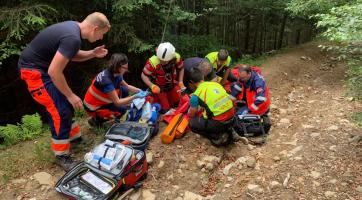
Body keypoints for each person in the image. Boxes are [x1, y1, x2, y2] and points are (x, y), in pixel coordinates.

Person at [18, 12, 110, 171]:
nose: (101, 38)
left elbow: (71, 55)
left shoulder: (73, 29)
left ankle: (75, 139)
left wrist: (93, 53)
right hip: (34, 73)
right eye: (102, 34)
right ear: (95, 28)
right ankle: (61, 156)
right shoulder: (72, 37)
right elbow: (55, 71)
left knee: (64, 105)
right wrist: (71, 95)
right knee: (59, 110)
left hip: (43, 70)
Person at [83, 53, 148, 126]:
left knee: (124, 90)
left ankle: (115, 110)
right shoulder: (106, 81)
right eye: (125, 68)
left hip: (100, 100)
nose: (126, 70)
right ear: (118, 67)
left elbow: (127, 86)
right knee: (122, 109)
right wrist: (135, 96)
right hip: (93, 107)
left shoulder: (115, 73)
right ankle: (97, 120)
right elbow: (117, 102)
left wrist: (140, 91)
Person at [187, 68, 244, 146]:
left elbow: (192, 114)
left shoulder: (196, 95)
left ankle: (217, 136)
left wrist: (189, 112)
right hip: (232, 117)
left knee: (192, 123)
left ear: (191, 82)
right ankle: (230, 130)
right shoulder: (216, 84)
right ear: (203, 77)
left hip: (219, 123)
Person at [141, 42, 185, 113]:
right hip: (159, 88)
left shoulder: (176, 57)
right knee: (164, 109)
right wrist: (152, 86)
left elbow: (181, 68)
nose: (161, 61)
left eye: (164, 61)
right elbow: (143, 75)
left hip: (172, 84)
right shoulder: (152, 62)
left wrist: (180, 81)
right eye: (160, 59)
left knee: (179, 102)